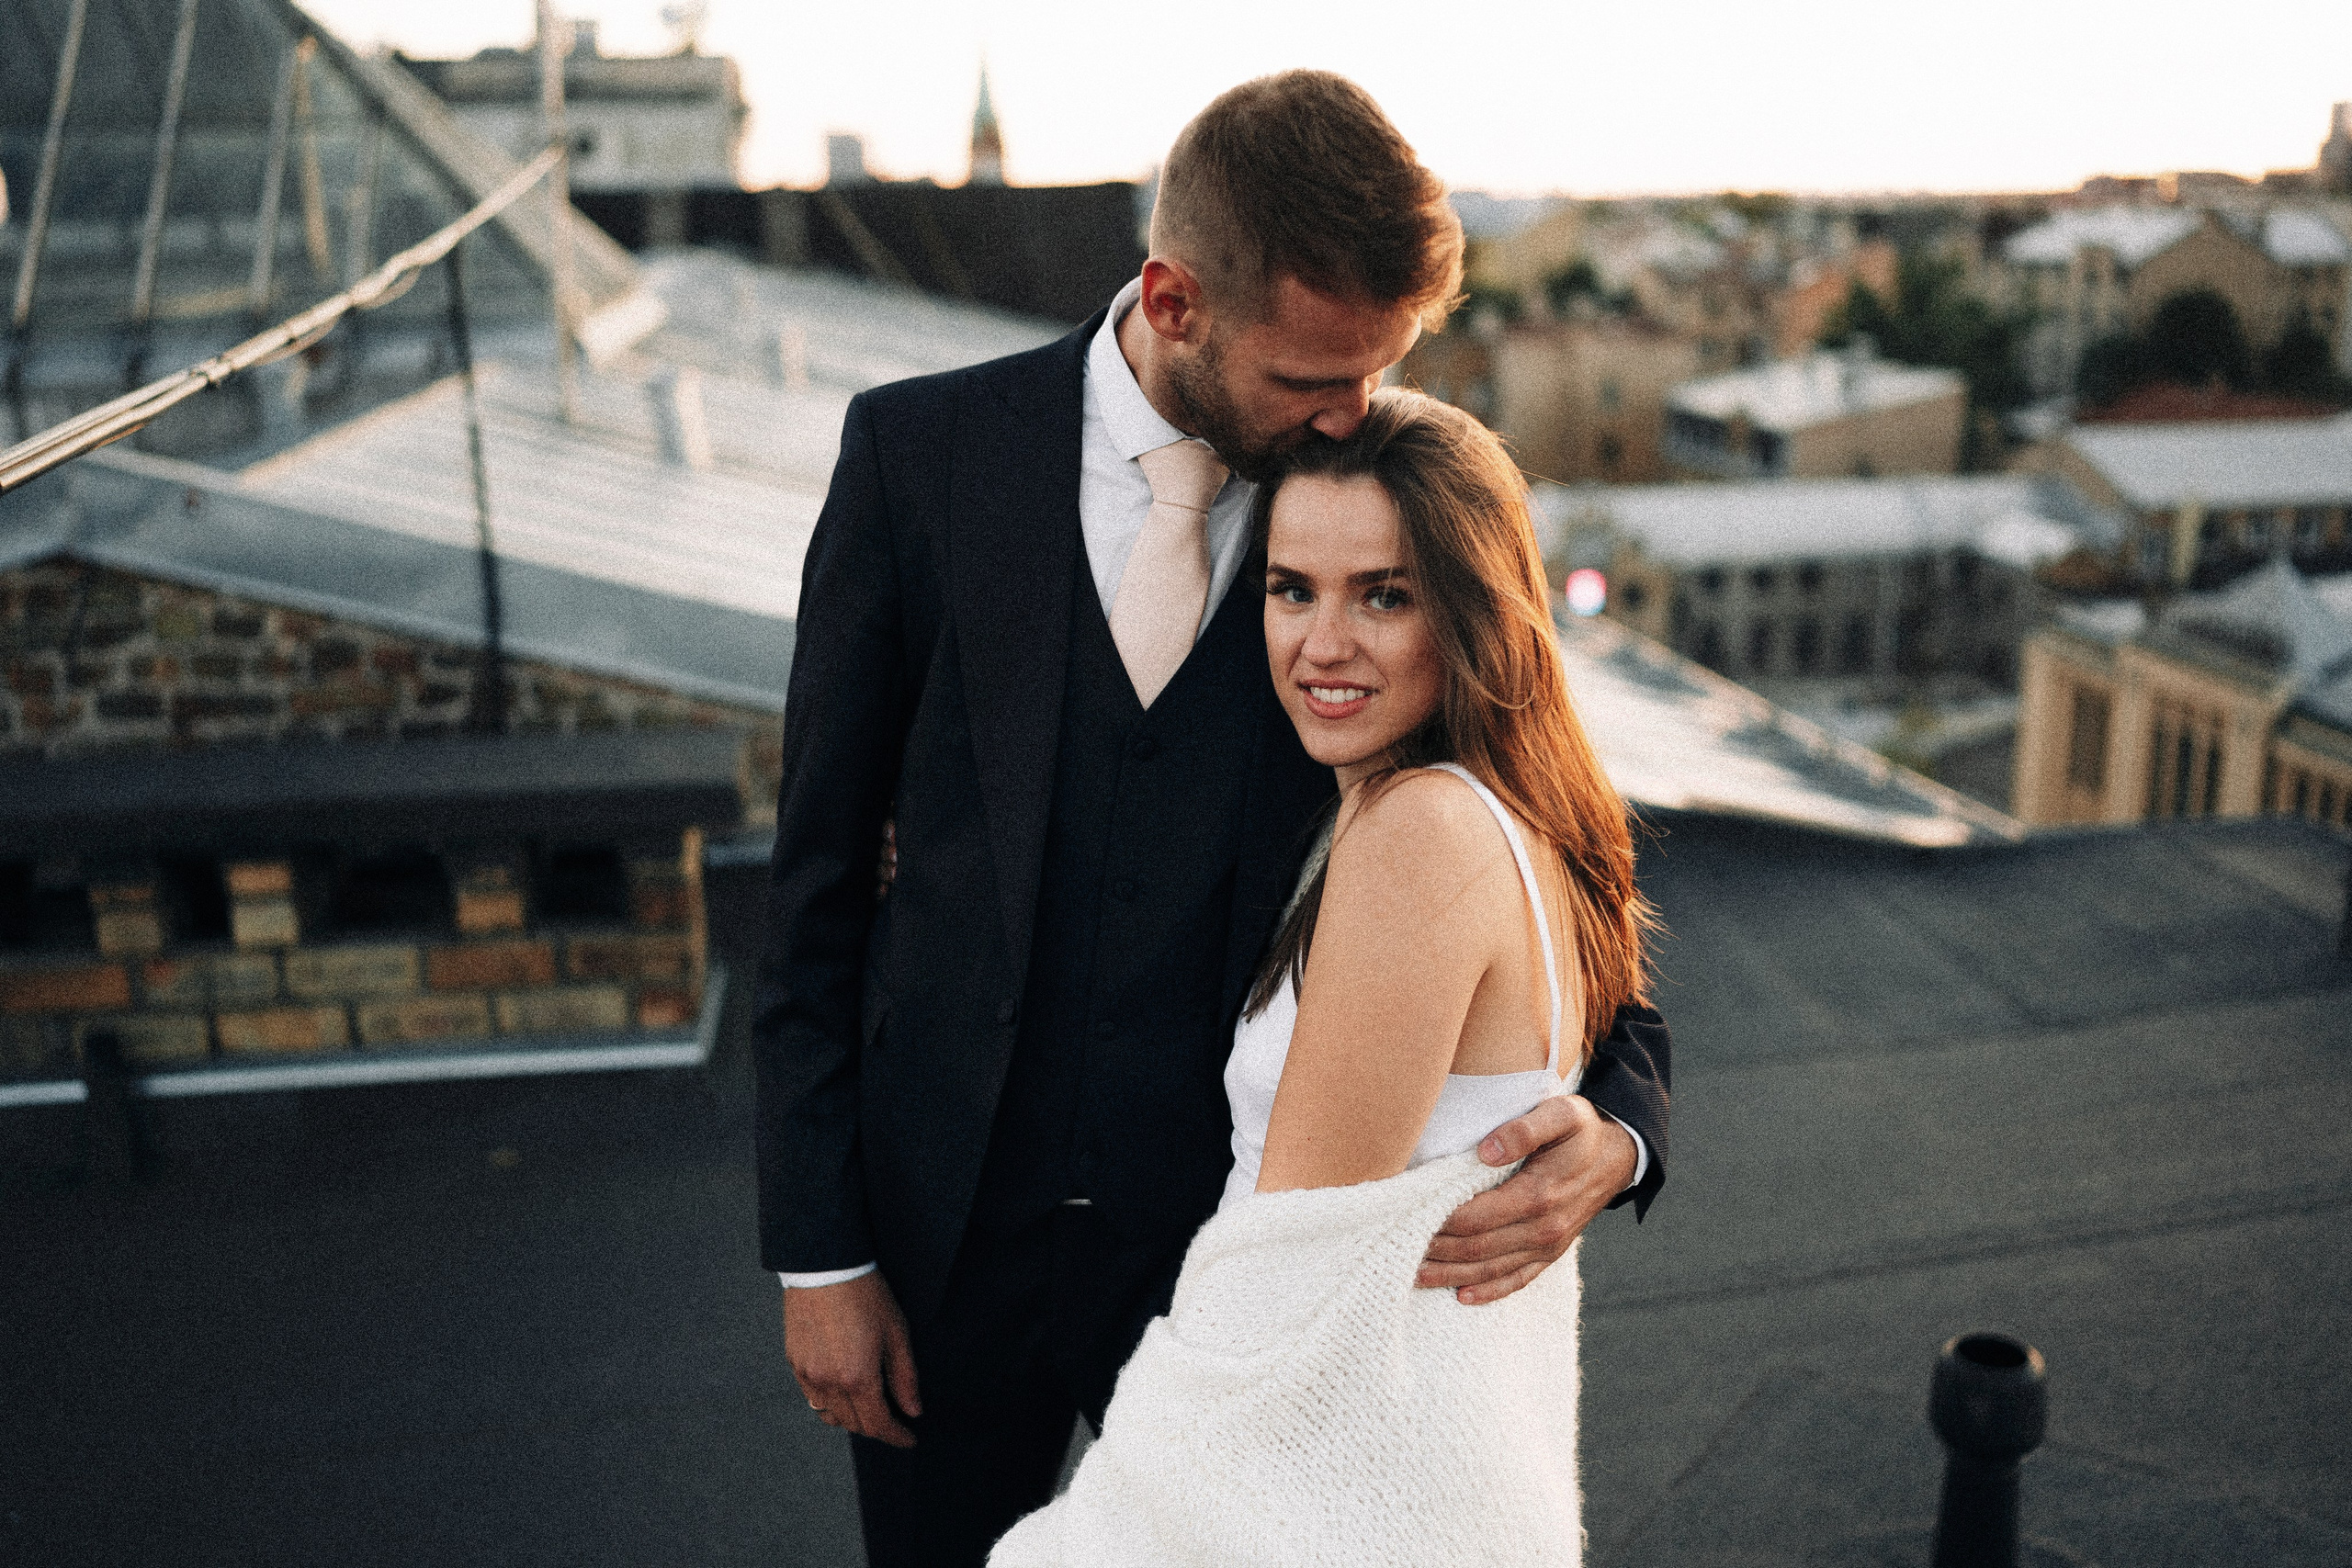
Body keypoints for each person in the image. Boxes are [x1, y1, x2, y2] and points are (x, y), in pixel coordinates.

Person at [752, 71, 1670, 1568]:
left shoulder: (1376, 513)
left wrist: (1623, 1124)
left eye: (1381, 367)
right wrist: (820, 1250)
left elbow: (1544, 831)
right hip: (937, 1258)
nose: (1354, 411)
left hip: (1228, 1275)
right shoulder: (917, 462)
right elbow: (813, 889)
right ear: (1174, 300)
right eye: (1315, 377)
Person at [989, 388, 1651, 1564]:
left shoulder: (1421, 835)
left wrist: (1092, 1528)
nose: (1320, 643)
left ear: (1470, 612)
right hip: (1425, 1476)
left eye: (1382, 595)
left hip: (1354, 1497)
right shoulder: (1489, 814)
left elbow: (1280, 1283)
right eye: (1291, 588)